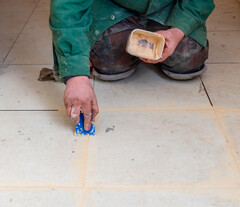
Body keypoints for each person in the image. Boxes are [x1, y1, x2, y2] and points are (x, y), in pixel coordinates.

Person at [49, 0, 215, 130]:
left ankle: (162, 30)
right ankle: (125, 33)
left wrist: (178, 31)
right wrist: (76, 75)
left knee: (187, 57)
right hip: (113, 7)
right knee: (110, 61)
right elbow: (68, 5)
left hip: (170, 7)